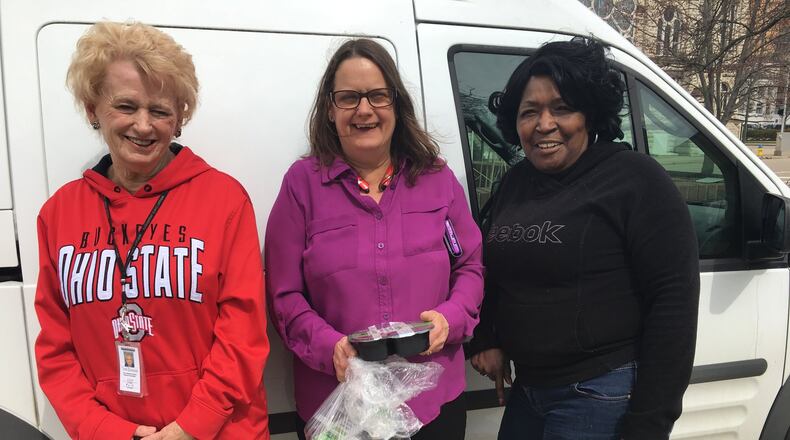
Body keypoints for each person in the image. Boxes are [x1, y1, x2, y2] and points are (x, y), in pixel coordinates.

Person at [34, 22, 270, 440]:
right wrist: (106, 431)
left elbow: (243, 333)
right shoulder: (58, 215)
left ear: (179, 119)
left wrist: (191, 425)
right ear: (93, 109)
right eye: (126, 106)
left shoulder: (225, 201)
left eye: (160, 110)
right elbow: (56, 351)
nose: (143, 126)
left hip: (219, 432)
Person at [468, 38, 700, 440]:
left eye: (561, 108)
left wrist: (649, 424)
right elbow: (494, 269)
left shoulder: (635, 179)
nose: (544, 124)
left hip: (599, 392)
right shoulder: (516, 182)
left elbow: (674, 304)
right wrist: (487, 335)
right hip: (529, 390)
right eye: (529, 112)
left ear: (589, 113)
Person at [265, 38, 483, 440]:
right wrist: (329, 345)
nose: (364, 110)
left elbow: (469, 265)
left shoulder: (437, 180)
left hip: (432, 404)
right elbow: (283, 294)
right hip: (339, 409)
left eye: (377, 96)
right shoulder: (302, 186)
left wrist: (451, 317)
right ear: (330, 110)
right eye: (348, 98)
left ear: (396, 105)